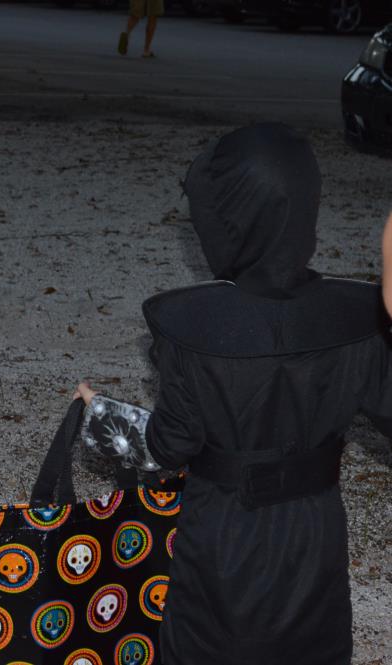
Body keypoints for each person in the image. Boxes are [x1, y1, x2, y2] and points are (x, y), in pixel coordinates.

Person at [75, 122, 392, 665]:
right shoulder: (356, 317)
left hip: (225, 536)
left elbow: (168, 446)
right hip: (314, 537)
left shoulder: (194, 326)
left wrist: (100, 415)